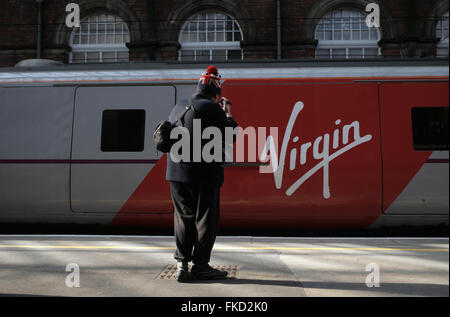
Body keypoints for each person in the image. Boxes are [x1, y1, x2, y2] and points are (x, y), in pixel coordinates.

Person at [166, 65, 238, 282]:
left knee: (183, 217)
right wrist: (228, 114)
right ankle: (201, 266)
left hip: (177, 173)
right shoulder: (213, 108)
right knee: (206, 220)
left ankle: (182, 265)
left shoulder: (179, 106)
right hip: (204, 174)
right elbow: (231, 134)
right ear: (216, 92)